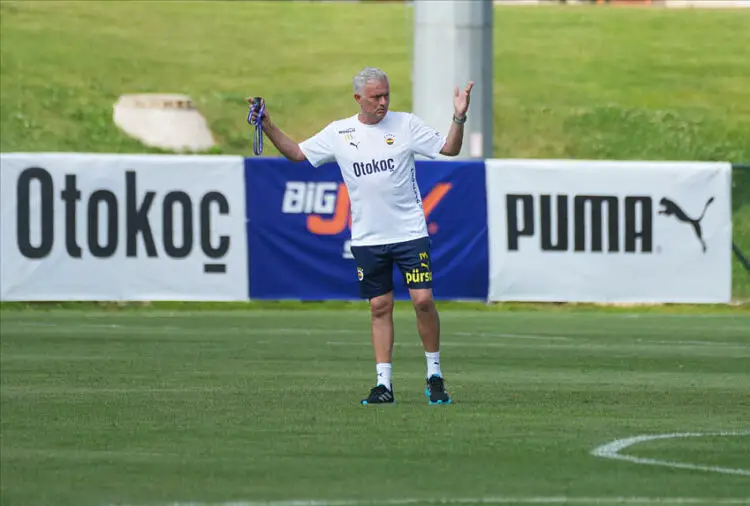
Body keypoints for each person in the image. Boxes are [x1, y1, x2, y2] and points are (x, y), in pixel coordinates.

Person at [248, 66, 473, 406]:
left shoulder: (406, 124)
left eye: (386, 95)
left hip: (409, 231)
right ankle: (384, 384)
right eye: (375, 97)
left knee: (423, 300)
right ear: (358, 99)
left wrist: (458, 118)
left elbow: (450, 149)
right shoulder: (340, 133)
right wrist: (266, 123)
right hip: (368, 237)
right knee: (379, 306)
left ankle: (434, 375)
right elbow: (297, 153)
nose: (383, 102)